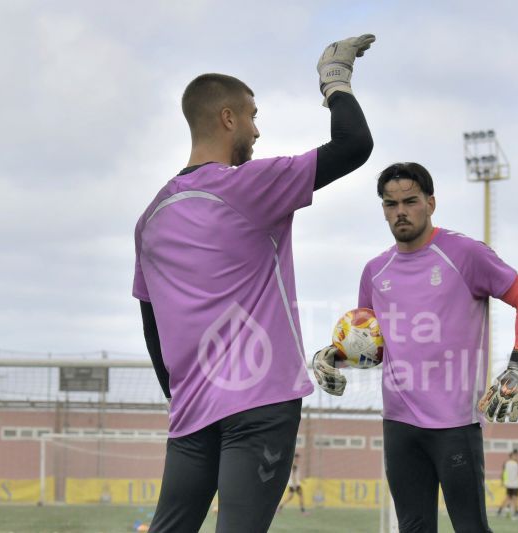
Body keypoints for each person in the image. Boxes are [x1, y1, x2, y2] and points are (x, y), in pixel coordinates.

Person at [132, 35, 375, 533]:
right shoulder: (248, 186)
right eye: (252, 116)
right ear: (227, 118)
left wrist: (177, 396)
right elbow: (355, 145)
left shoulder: (150, 217)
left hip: (192, 409)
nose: (257, 130)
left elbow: (150, 320)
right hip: (260, 402)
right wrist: (335, 79)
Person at [312, 162, 518, 532]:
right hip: (399, 425)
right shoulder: (375, 271)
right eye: (391, 204)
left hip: (455, 424)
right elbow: (370, 347)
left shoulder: (466, 253)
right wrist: (332, 357)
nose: (401, 211)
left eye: (410, 201)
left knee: (471, 527)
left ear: (431, 203)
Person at [498, 449, 518, 520]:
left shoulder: (506, 463)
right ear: (512, 455)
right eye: (516, 455)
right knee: (515, 498)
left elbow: (502, 473)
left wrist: (502, 481)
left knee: (508, 497)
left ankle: (500, 510)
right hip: (514, 484)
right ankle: (515, 513)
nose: (517, 456)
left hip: (509, 484)